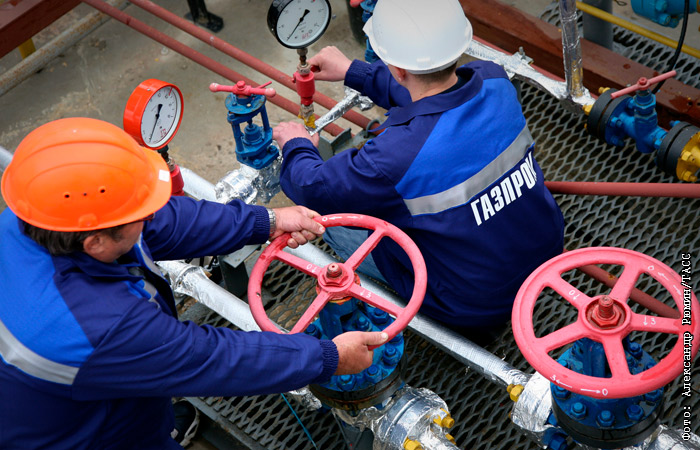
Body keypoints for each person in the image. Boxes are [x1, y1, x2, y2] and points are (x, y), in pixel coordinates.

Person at [0, 117, 388, 449]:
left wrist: (266, 222)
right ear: (96, 243)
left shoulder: (41, 219)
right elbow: (213, 359)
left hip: (78, 390)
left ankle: (158, 418)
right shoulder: (99, 327)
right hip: (74, 436)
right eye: (141, 212)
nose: (150, 214)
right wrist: (328, 358)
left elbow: (165, 222)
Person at [273, 0, 565, 343]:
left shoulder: (394, 158)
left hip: (473, 303)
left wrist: (295, 144)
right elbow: (433, 94)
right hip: (548, 258)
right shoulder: (495, 80)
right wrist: (356, 72)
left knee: (330, 222)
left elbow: (311, 187)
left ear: (397, 69)